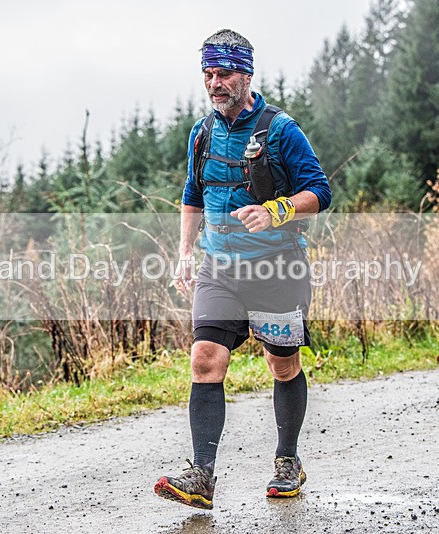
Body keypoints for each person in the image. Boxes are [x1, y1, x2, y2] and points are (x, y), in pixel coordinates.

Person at [153, 29, 332, 510]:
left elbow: (320, 193)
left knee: (282, 362)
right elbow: (193, 195)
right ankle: (201, 476)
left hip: (277, 268)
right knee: (205, 358)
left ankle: (288, 459)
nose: (215, 83)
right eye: (208, 74)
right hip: (218, 267)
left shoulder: (281, 130)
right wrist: (185, 252)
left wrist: (276, 210)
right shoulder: (201, 133)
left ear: (247, 75)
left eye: (224, 73)